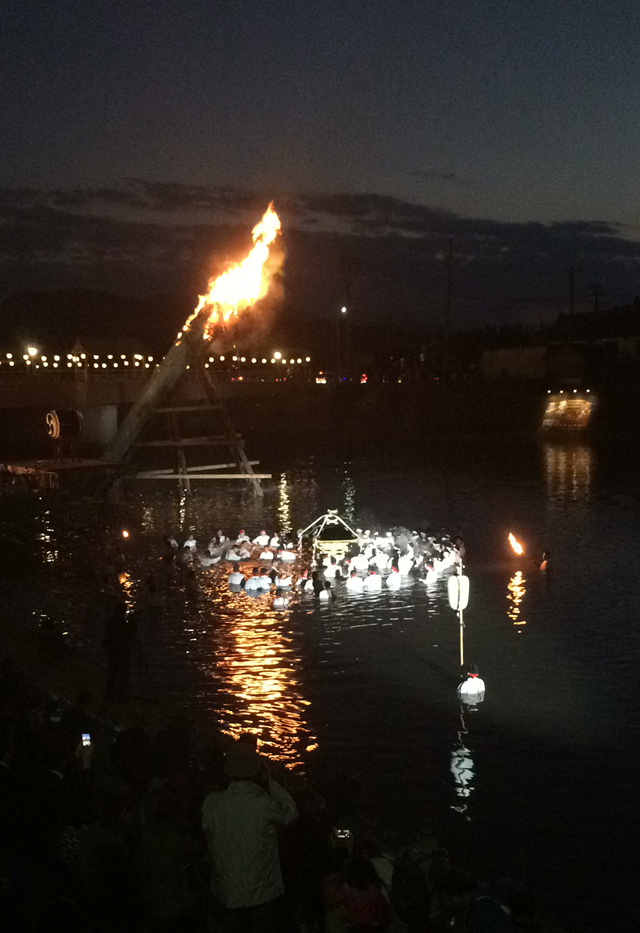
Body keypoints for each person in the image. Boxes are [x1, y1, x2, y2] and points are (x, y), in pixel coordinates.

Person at [201, 740, 297, 932]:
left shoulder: (211, 804)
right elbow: (291, 813)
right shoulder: (264, 804)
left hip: (226, 889)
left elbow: (207, 833)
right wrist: (271, 782)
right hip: (263, 892)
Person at [103, 603, 136, 703]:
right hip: (122, 652)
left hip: (113, 651)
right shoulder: (123, 624)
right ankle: (121, 695)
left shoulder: (110, 622)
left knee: (112, 673)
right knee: (123, 674)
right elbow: (129, 636)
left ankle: (109, 694)